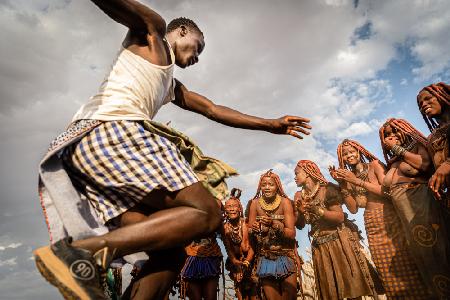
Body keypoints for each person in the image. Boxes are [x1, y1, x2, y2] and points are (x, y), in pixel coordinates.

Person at [33, 1, 311, 299]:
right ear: (181, 31)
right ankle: (79, 253)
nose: (197, 58)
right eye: (197, 48)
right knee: (206, 213)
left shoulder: (170, 85)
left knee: (170, 253)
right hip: (111, 130)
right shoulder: (152, 33)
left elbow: (212, 109)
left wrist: (269, 124)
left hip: (87, 155)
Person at [331, 139, 428, 299]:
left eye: (351, 151)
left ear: (359, 150)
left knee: (406, 260)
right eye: (345, 154)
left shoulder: (374, 165)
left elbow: (387, 191)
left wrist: (357, 181)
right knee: (385, 266)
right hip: (371, 223)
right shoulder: (349, 177)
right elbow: (354, 209)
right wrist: (343, 184)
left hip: (390, 217)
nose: (349, 156)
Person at [379, 118, 450, 299]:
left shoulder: (417, 144)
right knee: (421, 253)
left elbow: (424, 165)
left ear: (404, 129)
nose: (391, 136)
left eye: (394, 131)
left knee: (436, 246)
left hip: (419, 200)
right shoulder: (393, 160)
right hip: (402, 209)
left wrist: (396, 148)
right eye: (387, 135)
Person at [294, 160, 380, 300]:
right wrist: (300, 211)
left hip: (339, 243)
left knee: (352, 287)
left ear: (308, 172)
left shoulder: (327, 189)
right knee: (330, 291)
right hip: (319, 247)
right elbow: (300, 225)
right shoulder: (299, 195)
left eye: (297, 173)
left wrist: (318, 210)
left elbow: (339, 217)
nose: (295, 177)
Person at [248, 170, 297, 300]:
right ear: (260, 187)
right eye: (264, 185)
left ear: (277, 186)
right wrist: (255, 228)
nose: (267, 187)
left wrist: (274, 224)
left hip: (286, 255)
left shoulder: (285, 202)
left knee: (289, 297)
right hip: (265, 257)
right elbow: (249, 230)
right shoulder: (255, 204)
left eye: (271, 184)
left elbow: (291, 233)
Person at [417, 82, 450, 211]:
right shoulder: (432, 138)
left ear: (441, 95)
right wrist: (437, 184)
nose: (423, 104)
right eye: (420, 104)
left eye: (428, 98)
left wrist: (447, 165)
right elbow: (436, 168)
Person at [223, 188, 256, 300]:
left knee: (254, 293)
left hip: (252, 261)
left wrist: (247, 261)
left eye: (234, 206)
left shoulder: (247, 224)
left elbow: (252, 247)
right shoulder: (225, 229)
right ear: (225, 211)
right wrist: (236, 264)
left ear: (240, 209)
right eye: (228, 207)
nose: (232, 209)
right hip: (236, 263)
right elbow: (229, 251)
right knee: (240, 293)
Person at [180, 234, 222, 300]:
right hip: (191, 259)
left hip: (211, 258)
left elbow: (224, 234)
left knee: (210, 297)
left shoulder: (214, 224)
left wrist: (233, 258)